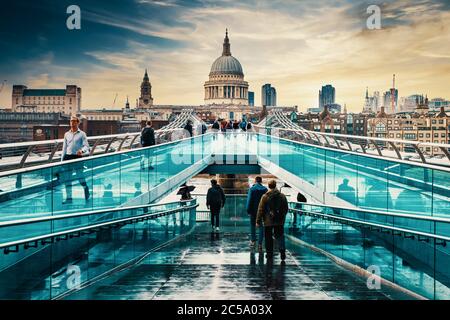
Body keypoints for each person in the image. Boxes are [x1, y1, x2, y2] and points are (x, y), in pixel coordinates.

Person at [256, 180, 289, 261]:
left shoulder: (265, 196)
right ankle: (282, 252)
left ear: (268, 186)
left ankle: (269, 253)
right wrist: (282, 217)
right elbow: (286, 208)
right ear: (275, 185)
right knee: (280, 236)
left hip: (268, 221)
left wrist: (258, 220)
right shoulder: (282, 196)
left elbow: (260, 209)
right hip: (279, 221)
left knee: (268, 237)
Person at [61, 115, 90, 204]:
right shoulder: (66, 134)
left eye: (74, 121)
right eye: (71, 121)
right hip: (68, 157)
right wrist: (61, 161)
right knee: (67, 179)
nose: (72, 123)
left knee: (79, 176)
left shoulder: (82, 134)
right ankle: (69, 198)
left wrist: (82, 151)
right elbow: (64, 148)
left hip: (77, 157)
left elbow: (86, 146)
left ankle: (86, 189)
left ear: (78, 122)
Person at [246, 176, 268, 251]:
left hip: (253, 211)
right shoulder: (265, 189)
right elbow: (267, 201)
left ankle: (253, 241)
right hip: (263, 211)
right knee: (261, 226)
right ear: (261, 181)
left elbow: (249, 200)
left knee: (252, 225)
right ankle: (260, 243)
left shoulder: (252, 189)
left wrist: (248, 210)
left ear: (255, 181)